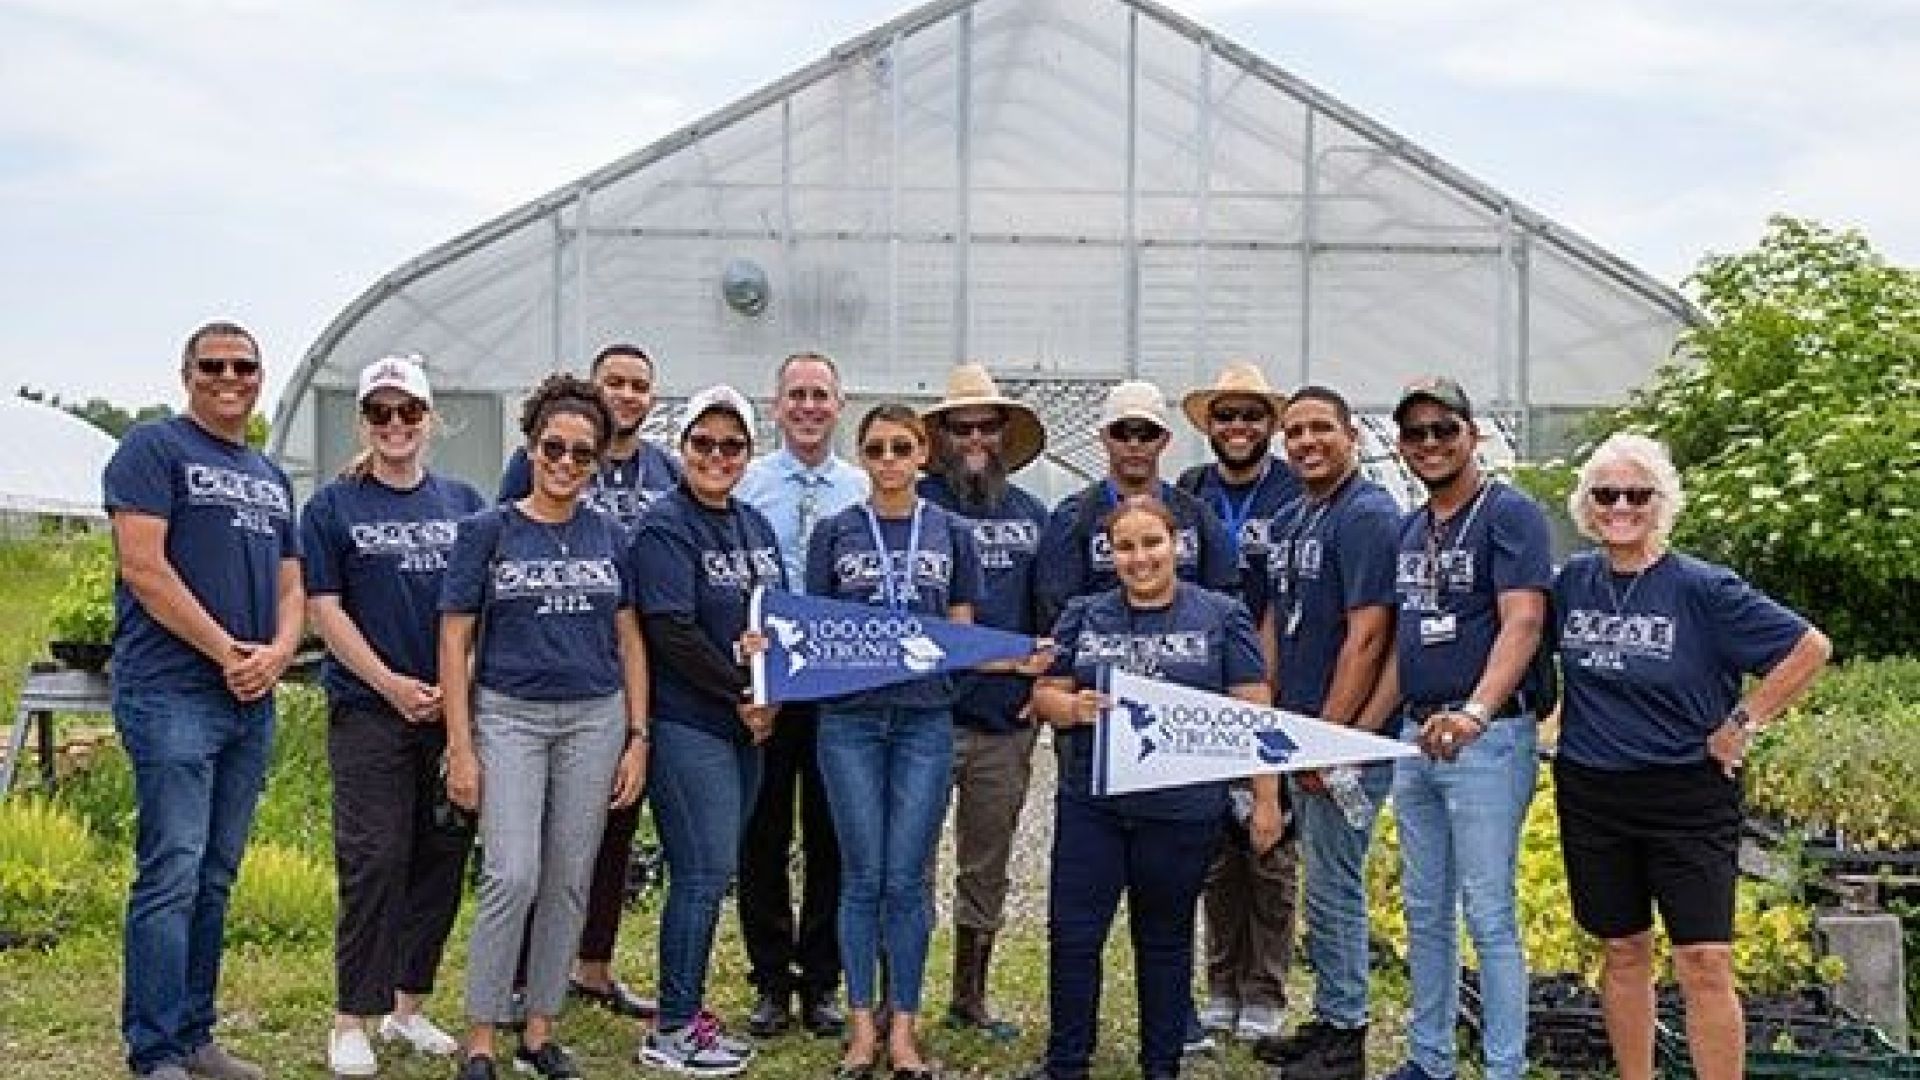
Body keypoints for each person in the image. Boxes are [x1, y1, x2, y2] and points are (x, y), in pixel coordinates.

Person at [1553, 433, 1829, 1080]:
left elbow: (1809, 648)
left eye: (1637, 494)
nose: (1620, 506)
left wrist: (1744, 720)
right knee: (1621, 949)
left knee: (1704, 960)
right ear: (1587, 506)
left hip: (1687, 795)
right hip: (1594, 791)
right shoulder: (1572, 583)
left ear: (1662, 503)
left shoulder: (1703, 588)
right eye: (1606, 494)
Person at [104, 320, 304, 1080]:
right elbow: (144, 569)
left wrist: (280, 652)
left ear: (259, 376)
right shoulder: (154, 450)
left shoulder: (268, 472)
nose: (231, 377)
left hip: (249, 697)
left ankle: (195, 1037)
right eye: (213, 365)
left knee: (217, 874)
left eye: (244, 366)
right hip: (174, 693)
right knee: (172, 871)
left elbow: (292, 583)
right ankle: (154, 1050)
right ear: (187, 374)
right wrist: (228, 653)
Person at [1022, 497, 1282, 1080]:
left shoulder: (1221, 615)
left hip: (1182, 808)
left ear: (1177, 546)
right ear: (1109, 555)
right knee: (1074, 934)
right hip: (1093, 802)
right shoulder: (1083, 615)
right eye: (1125, 547)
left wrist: (1265, 798)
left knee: (1164, 938)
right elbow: (1043, 696)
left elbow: (1255, 712)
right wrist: (1072, 706)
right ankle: (1067, 1061)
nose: (1141, 558)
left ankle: (1161, 1064)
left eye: (1152, 543)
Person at [440, 375, 650, 1080]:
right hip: (510, 716)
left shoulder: (611, 535)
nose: (566, 463)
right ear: (530, 448)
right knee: (512, 873)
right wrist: (460, 743)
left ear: (597, 462)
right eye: (553, 448)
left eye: (582, 454)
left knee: (568, 878)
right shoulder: (487, 532)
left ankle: (538, 1031)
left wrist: (638, 737)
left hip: (595, 717)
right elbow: (454, 641)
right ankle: (480, 1035)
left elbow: (629, 642)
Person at [1360, 376, 1555, 1080]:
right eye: (1415, 434)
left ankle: (1504, 1069)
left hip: (1487, 738)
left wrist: (1474, 712)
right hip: (1418, 737)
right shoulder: (1413, 529)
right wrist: (1369, 731)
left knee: (1490, 913)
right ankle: (1429, 1059)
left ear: (1472, 434)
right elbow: (1404, 644)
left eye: (1445, 429)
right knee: (1424, 910)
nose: (1430, 444)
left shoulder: (1510, 516)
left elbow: (1525, 620)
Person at [303, 356, 486, 1077]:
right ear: (364, 423)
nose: (396, 426)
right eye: (380, 413)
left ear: (429, 419)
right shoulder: (332, 507)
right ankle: (352, 1016)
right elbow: (325, 608)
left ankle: (407, 1009)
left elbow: (477, 612)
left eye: (408, 412)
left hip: (449, 715)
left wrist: (456, 688)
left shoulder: (463, 502)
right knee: (375, 858)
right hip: (368, 712)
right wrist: (389, 685)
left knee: (439, 857)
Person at [499, 343, 681, 1019]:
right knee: (540, 834)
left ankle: (593, 966)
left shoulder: (665, 470)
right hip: (552, 663)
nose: (626, 394)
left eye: (639, 384)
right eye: (615, 382)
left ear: (650, 400)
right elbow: (504, 543)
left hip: (635, 661)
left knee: (613, 823)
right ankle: (520, 973)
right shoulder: (542, 457)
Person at [807, 403, 988, 1079]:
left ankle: (904, 1031)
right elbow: (813, 629)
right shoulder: (835, 532)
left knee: (907, 880)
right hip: (849, 720)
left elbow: (962, 631)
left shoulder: (950, 533)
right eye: (876, 448)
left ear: (923, 456)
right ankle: (861, 1029)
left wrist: (1018, 655)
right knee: (863, 876)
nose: (888, 459)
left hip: (924, 720)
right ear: (862, 457)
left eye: (901, 447)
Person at [630, 384, 784, 1076]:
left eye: (731, 445)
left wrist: (770, 689)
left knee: (712, 869)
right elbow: (672, 633)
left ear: (749, 453)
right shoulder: (666, 525)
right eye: (703, 443)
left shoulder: (754, 524)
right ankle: (671, 1027)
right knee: (701, 872)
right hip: (692, 721)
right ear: (683, 446)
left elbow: (773, 623)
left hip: (747, 724)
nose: (716, 456)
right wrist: (742, 693)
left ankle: (688, 1014)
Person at [1248, 385, 1400, 1080]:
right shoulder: (1294, 515)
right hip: (1299, 726)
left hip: (1344, 740)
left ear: (1352, 437)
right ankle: (1332, 1015)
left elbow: (1368, 637)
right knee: (1321, 884)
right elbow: (1280, 622)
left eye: (1321, 430)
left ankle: (1347, 1039)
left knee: (1337, 885)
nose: (1306, 442)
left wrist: (1327, 741)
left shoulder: (1367, 516)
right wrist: (1270, 716)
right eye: (1296, 432)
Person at [915, 363, 1051, 1040]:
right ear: (938, 436)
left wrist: (1045, 685)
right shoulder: (913, 508)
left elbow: (1053, 611)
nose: (973, 437)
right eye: (959, 427)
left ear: (1003, 434)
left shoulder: (1031, 516)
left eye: (985, 426)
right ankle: (899, 994)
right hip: (925, 716)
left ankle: (971, 993)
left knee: (986, 861)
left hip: (1003, 721)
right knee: (908, 858)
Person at [734, 352, 867, 1037]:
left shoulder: (861, 488)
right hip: (766, 681)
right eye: (797, 395)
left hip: (837, 684)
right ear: (777, 404)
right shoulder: (748, 484)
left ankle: (821, 980)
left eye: (822, 394)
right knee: (760, 830)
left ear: (838, 404)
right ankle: (769, 980)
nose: (810, 406)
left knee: (831, 832)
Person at [1176, 362, 1302, 1044]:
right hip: (1202, 681)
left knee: (1270, 836)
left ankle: (1267, 988)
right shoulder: (1190, 492)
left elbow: (1287, 596)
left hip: (1270, 680)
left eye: (1251, 415)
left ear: (1270, 425)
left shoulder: (1291, 491)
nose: (1238, 428)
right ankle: (1222, 980)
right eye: (1225, 416)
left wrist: (1266, 674)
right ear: (1210, 426)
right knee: (1217, 843)